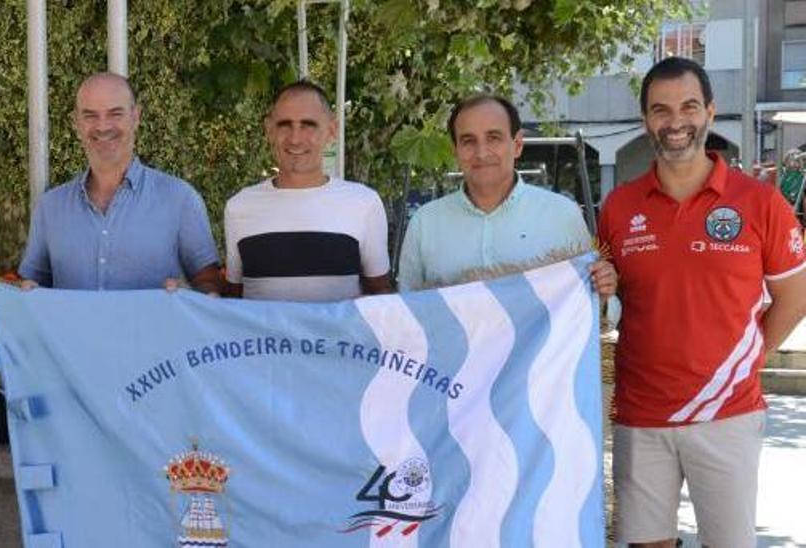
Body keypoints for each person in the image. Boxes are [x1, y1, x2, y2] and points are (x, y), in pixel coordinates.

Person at [598, 57, 806, 548]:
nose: (676, 122)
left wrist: (749, 357)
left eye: (689, 106)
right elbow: (611, 299)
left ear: (710, 112)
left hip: (728, 413)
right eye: (661, 110)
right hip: (641, 413)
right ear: (646, 119)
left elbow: (794, 296)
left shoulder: (759, 202)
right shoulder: (619, 207)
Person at [19, 72, 221, 292]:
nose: (103, 126)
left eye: (115, 114)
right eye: (90, 115)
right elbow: (33, 291)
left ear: (136, 117)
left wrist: (189, 291)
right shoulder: (49, 207)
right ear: (76, 122)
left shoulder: (180, 199)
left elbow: (211, 286)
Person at [397, 93, 617, 296]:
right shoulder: (425, 224)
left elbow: (595, 310)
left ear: (518, 144)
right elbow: (407, 314)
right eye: (468, 141)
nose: (481, 153)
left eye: (493, 137)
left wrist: (604, 292)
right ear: (455, 151)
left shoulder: (561, 215)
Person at [223, 80, 392, 301]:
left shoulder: (364, 203)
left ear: (331, 131)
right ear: (269, 130)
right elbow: (233, 298)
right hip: (264, 336)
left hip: (338, 336)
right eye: (284, 125)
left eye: (308, 125)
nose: (295, 138)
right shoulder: (239, 207)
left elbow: (380, 293)